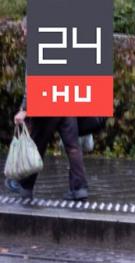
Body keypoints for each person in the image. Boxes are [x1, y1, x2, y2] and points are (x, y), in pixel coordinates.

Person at [9, 16, 88, 201]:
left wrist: (24, 109)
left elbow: (34, 84)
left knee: (37, 143)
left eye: (25, 30)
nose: (24, 33)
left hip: (49, 105)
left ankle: (25, 186)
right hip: (68, 102)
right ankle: (80, 188)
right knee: (73, 147)